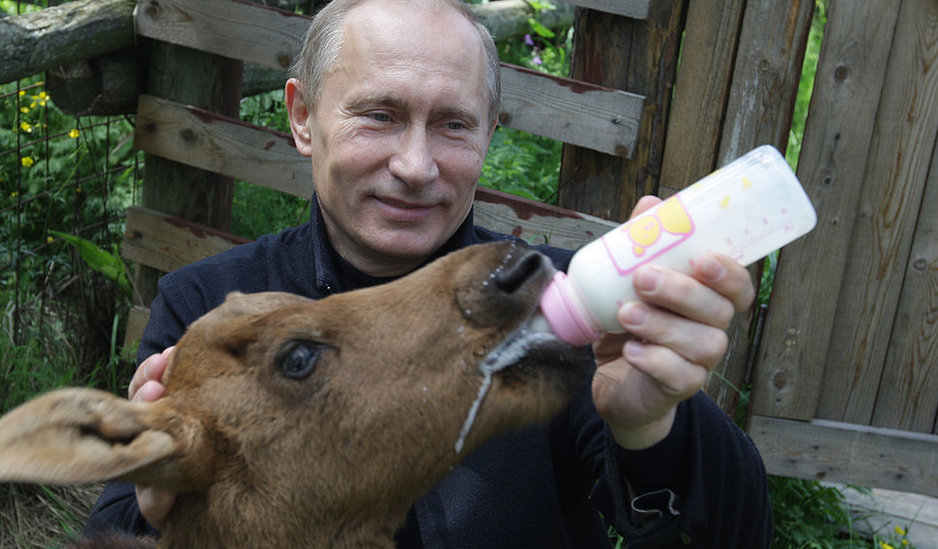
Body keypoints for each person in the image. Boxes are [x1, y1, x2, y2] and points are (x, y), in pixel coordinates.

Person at [85, 0, 772, 546]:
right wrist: (166, 499)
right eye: (379, 115)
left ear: (489, 133)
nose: (415, 166)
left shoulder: (555, 300)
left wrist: (653, 426)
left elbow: (738, 529)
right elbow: (116, 530)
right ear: (302, 116)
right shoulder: (207, 306)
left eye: (451, 124)